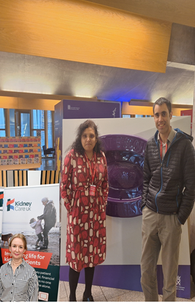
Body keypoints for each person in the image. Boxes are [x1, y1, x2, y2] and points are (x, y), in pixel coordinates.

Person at [141, 97, 195, 301]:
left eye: (163, 113)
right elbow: (145, 178)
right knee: (146, 273)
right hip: (150, 216)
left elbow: (191, 185)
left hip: (171, 220)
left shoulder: (185, 146)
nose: (160, 119)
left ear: (171, 115)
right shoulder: (150, 145)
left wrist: (180, 217)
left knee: (169, 280)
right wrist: (145, 206)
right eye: (156, 114)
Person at [60, 119, 108, 302]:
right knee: (76, 256)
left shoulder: (101, 157)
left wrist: (101, 204)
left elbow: (105, 184)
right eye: (85, 136)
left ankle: (88, 293)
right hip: (77, 216)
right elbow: (64, 187)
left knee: (92, 255)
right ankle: (72, 296)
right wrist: (72, 208)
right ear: (80, 138)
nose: (88, 139)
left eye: (92, 136)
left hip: (96, 215)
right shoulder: (71, 157)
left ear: (96, 138)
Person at [0, 234, 38, 302]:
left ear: (24, 250)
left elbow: (33, 299)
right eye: (14, 246)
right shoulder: (2, 269)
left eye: (20, 247)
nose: (17, 250)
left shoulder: (31, 272)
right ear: (9, 248)